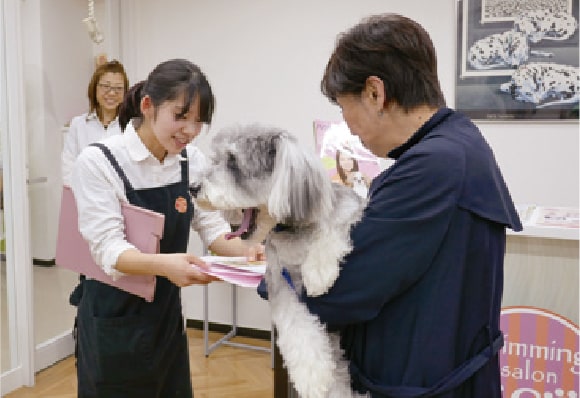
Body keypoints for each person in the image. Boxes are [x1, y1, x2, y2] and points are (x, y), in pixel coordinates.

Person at [302, 13, 522, 397]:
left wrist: (278, 276)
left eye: (343, 107)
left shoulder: (433, 166)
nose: (348, 126)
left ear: (375, 93)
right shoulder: (458, 144)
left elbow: (349, 287)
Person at [69, 58, 262, 397]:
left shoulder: (191, 161)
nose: (190, 130)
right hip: (113, 318)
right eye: (180, 116)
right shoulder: (99, 162)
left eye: (198, 121)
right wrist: (167, 266)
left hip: (165, 318)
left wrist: (249, 253)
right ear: (148, 106)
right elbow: (108, 249)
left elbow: (213, 229)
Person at [62, 59, 129, 185]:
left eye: (119, 88)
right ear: (95, 88)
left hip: (121, 198)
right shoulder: (79, 124)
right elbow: (68, 167)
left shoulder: (131, 126)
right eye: (106, 86)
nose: (112, 93)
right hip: (84, 196)